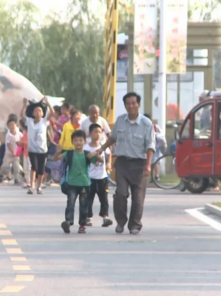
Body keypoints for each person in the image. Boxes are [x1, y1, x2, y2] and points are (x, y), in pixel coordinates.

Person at [98, 92, 155, 235]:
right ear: (125, 106)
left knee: (138, 198)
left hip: (139, 164)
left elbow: (150, 146)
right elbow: (112, 138)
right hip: (122, 163)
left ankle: (135, 224)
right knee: (121, 194)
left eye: (133, 103)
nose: (131, 106)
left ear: (138, 104)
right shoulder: (120, 120)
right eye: (128, 104)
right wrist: (101, 149)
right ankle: (121, 221)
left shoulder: (146, 124)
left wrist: (148, 165)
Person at [53, 130, 103, 234]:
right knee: (70, 203)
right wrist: (58, 151)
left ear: (84, 141)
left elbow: (100, 160)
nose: (78, 142)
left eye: (80, 140)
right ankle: (68, 222)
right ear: (72, 142)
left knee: (83, 205)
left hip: (85, 184)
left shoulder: (87, 154)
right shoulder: (69, 153)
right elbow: (56, 158)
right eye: (76, 140)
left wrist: (96, 154)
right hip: (72, 184)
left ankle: (82, 225)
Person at [20, 96, 54, 194]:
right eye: (36, 111)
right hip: (32, 149)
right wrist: (24, 105)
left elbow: (52, 113)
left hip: (42, 150)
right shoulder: (30, 121)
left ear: (42, 113)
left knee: (41, 169)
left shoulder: (44, 122)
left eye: (40, 111)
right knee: (33, 167)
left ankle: (39, 187)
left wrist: (47, 102)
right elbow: (22, 115)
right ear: (33, 113)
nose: (38, 112)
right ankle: (31, 186)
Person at [84, 124, 113, 227]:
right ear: (90, 134)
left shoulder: (103, 145)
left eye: (100, 132)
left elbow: (109, 155)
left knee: (104, 198)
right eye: (95, 132)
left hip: (102, 177)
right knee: (89, 198)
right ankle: (88, 217)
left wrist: (109, 163)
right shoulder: (86, 147)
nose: (98, 134)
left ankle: (105, 217)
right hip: (89, 177)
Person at [0, 118, 22, 184]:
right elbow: (8, 145)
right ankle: (1, 175)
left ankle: (16, 179)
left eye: (13, 125)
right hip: (8, 154)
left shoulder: (19, 134)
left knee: (16, 167)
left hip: (16, 154)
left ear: (16, 125)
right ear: (8, 126)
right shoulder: (8, 135)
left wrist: (19, 151)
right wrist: (12, 151)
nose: (12, 126)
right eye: (10, 125)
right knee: (5, 166)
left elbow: (22, 142)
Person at [19, 119, 31, 188]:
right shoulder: (24, 132)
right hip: (25, 152)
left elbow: (29, 143)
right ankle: (27, 181)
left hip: (30, 152)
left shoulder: (29, 133)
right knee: (25, 168)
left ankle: (30, 182)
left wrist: (22, 143)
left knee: (29, 167)